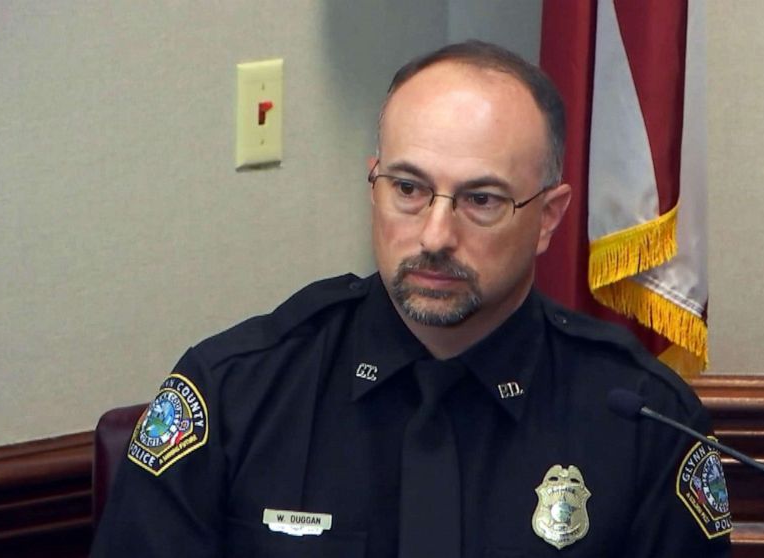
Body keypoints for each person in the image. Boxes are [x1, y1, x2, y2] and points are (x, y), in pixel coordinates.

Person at [91, 41, 731, 558]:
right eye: (408, 188)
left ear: (548, 218)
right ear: (374, 184)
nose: (434, 235)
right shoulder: (234, 395)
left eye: (482, 200)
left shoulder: (644, 422)